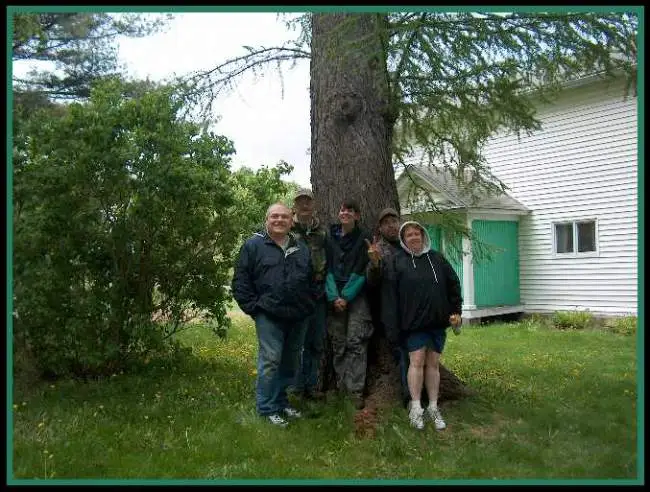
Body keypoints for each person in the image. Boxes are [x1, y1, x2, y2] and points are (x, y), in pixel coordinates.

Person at [232, 203, 316, 427]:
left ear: (292, 221)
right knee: (270, 360)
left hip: (298, 314)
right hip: (268, 313)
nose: (279, 220)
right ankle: (267, 408)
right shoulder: (254, 245)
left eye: (284, 217)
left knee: (289, 361)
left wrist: (309, 304)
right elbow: (241, 280)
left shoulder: (301, 246)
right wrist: (254, 308)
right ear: (267, 219)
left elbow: (311, 278)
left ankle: (281, 402)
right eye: (274, 216)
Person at [382, 221, 462, 431]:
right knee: (416, 362)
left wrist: (456, 311)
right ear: (403, 239)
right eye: (409, 235)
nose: (414, 237)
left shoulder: (437, 258)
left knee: (433, 364)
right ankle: (416, 407)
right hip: (413, 324)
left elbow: (453, 284)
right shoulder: (396, 261)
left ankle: (433, 407)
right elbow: (390, 297)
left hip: (437, 322)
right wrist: (392, 327)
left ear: (423, 236)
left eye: (417, 233)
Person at [325, 199, 373, 409]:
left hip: (356, 295)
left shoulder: (364, 238)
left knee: (356, 342)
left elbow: (363, 269)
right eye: (343, 209)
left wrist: (346, 296)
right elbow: (324, 267)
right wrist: (334, 296)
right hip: (333, 295)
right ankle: (341, 387)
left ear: (357, 216)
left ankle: (355, 391)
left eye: (350, 210)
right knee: (338, 343)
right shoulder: (329, 236)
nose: (345, 213)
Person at [364, 207, 410, 406]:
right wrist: (374, 264)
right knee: (404, 354)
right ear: (380, 228)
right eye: (386, 223)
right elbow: (372, 282)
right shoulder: (378, 250)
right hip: (391, 314)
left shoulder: (409, 246)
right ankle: (409, 396)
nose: (391, 226)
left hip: (413, 311)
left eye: (394, 221)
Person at [290, 188, 329, 401]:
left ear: (313, 205)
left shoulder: (321, 231)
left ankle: (312, 385)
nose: (304, 205)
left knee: (315, 343)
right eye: (300, 202)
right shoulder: (287, 230)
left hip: (318, 294)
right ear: (294, 205)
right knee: (296, 341)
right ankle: (296, 386)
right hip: (296, 295)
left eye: (308, 202)